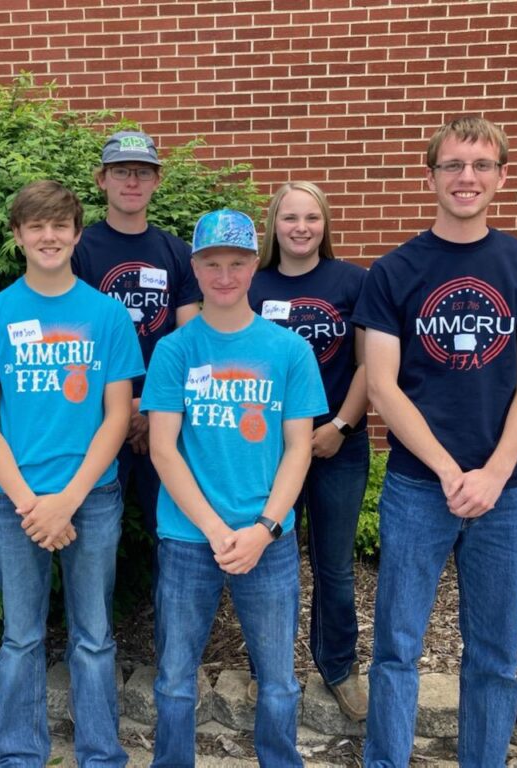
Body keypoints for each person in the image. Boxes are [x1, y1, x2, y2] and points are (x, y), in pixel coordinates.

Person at [353, 116, 517, 766]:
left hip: (508, 493)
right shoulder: (394, 271)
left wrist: (494, 474)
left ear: (502, 176)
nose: (465, 177)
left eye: (479, 165)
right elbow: (383, 387)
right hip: (419, 487)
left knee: (495, 656)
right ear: (431, 176)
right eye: (452, 165)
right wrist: (448, 470)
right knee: (396, 649)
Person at [0, 180, 143, 768]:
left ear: (77, 234)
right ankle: (16, 754)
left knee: (93, 636)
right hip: (14, 503)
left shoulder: (107, 316)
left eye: (60, 225)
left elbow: (118, 417)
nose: (49, 236)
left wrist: (67, 500)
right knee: (21, 637)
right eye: (36, 226)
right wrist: (32, 503)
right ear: (17, 236)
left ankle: (100, 754)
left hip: (92, 498)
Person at [142, 209, 328, 767]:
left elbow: (299, 447)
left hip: (266, 541)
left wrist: (264, 529)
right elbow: (162, 448)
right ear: (195, 268)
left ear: (254, 266)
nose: (225, 275)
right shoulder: (176, 350)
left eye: (237, 263)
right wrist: (217, 529)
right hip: (188, 538)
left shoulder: (288, 350)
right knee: (176, 678)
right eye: (212, 263)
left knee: (277, 681)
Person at [247, 181, 370, 721]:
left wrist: (340, 425)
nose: (301, 228)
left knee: (334, 566)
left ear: (325, 224)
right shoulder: (253, 284)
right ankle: (266, 670)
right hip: (267, 449)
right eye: (290, 218)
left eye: (311, 218)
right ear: (274, 225)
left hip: (336, 444)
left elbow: (370, 365)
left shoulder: (354, 281)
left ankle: (340, 668)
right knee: (268, 560)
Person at [71, 130, 201, 549]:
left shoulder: (177, 252)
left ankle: (171, 617)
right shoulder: (78, 249)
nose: (132, 182)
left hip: (162, 413)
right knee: (95, 538)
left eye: (142, 173)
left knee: (173, 533)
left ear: (157, 181)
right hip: (95, 414)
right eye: (121, 171)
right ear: (101, 180)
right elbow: (77, 338)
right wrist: (119, 408)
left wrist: (150, 407)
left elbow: (187, 339)